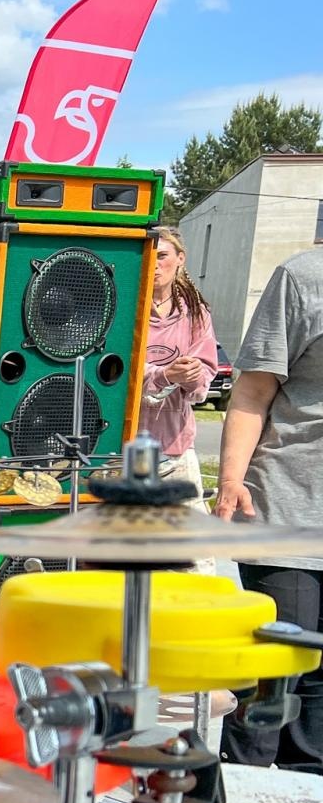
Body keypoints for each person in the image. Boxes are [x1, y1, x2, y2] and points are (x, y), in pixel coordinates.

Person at [215, 246, 323, 775]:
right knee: (274, 673)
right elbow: (253, 392)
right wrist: (230, 481)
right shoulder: (303, 278)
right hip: (289, 505)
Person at [137, 228, 216, 510]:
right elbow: (114, 371)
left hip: (176, 446)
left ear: (180, 258)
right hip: (125, 447)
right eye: (149, 256)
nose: (155, 263)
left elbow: (203, 381)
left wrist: (192, 375)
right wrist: (164, 375)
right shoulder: (126, 308)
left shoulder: (195, 312)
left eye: (163, 256)